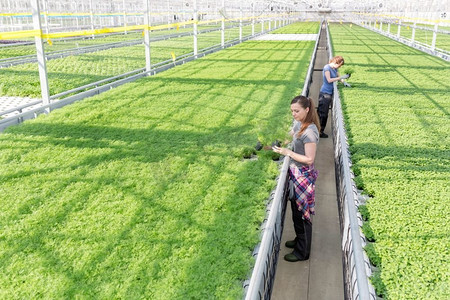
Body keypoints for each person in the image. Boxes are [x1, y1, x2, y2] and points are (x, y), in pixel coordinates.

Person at [272, 95, 320, 262]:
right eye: (292, 111)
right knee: (296, 212)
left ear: (307, 110)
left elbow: (309, 159)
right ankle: (299, 240)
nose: (293, 114)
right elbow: (290, 136)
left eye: (297, 111)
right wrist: (276, 143)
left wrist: (289, 153)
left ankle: (302, 252)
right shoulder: (299, 124)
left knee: (302, 214)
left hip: (303, 176)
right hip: (295, 173)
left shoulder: (310, 132)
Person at [318, 55, 350, 138]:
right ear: (335, 62)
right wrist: (341, 77)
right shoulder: (327, 68)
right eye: (339, 65)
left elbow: (338, 77)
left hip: (330, 92)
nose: (339, 67)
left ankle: (319, 130)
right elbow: (329, 80)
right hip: (325, 93)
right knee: (323, 113)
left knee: (323, 113)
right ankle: (319, 132)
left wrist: (344, 81)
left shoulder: (335, 68)